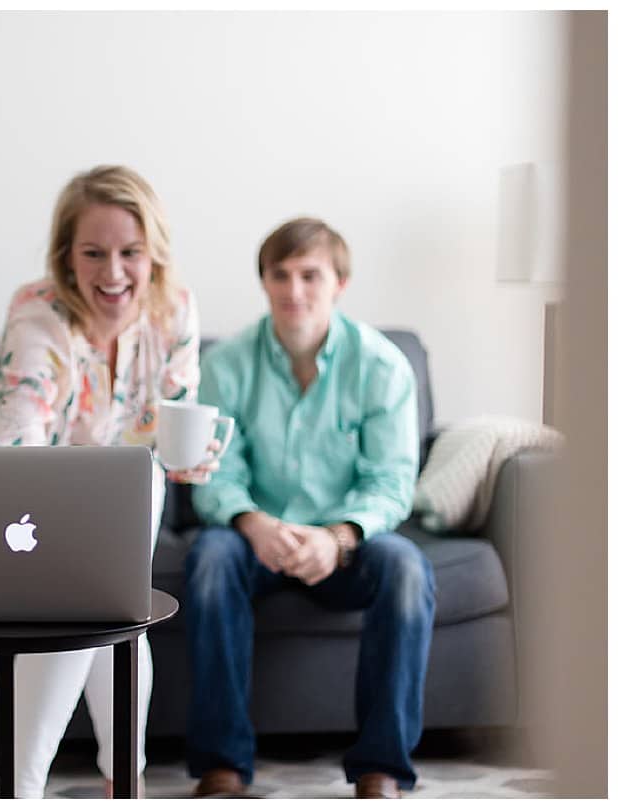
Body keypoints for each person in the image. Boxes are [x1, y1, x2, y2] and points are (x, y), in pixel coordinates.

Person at [0, 165, 217, 799]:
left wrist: (191, 458)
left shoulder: (175, 310)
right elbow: (15, 442)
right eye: (93, 253)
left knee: (112, 585)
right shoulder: (37, 313)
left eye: (131, 252)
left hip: (127, 504)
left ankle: (53, 785)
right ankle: (98, 782)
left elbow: (172, 425)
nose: (113, 272)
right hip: (26, 507)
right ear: (66, 257)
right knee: (102, 606)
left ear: (152, 254)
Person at [185, 217, 436, 799]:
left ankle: (382, 768)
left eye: (310, 275)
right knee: (210, 558)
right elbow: (217, 475)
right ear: (264, 281)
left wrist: (337, 536)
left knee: (407, 569)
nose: (294, 290)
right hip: (255, 538)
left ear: (339, 283)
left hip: (348, 545)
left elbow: (391, 483)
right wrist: (254, 523)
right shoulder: (226, 365)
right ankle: (222, 765)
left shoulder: (383, 367)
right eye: (280, 275)